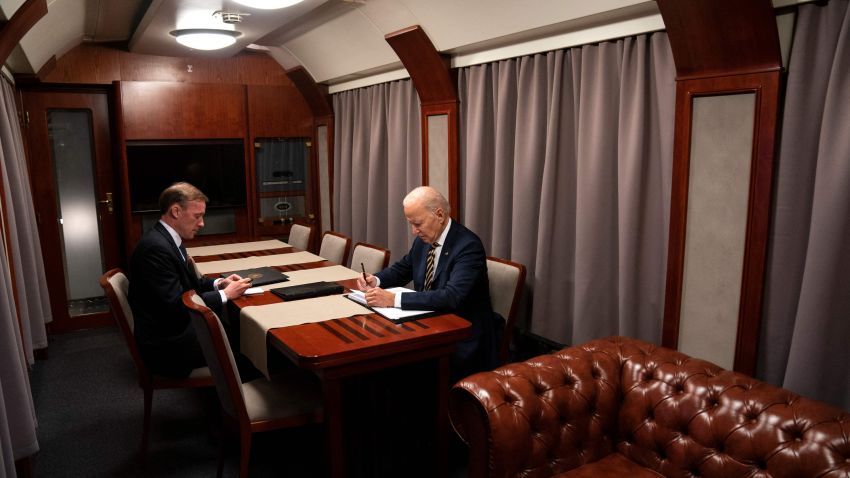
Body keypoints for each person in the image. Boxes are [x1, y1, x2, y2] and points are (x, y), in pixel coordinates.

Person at [357, 186, 501, 377]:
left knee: (396, 365)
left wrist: (393, 300)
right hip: (428, 324)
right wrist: (376, 280)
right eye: (410, 224)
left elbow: (452, 297)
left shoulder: (468, 246)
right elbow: (403, 269)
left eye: (417, 224)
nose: (414, 231)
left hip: (462, 333)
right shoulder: (424, 240)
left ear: (439, 215)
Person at [128, 182, 252, 378]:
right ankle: (244, 403)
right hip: (167, 346)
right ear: (176, 211)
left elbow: (190, 285)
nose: (202, 223)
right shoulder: (155, 249)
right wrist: (225, 295)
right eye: (198, 216)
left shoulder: (167, 240)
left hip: (173, 330)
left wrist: (219, 283)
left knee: (242, 333)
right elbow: (176, 306)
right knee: (249, 347)